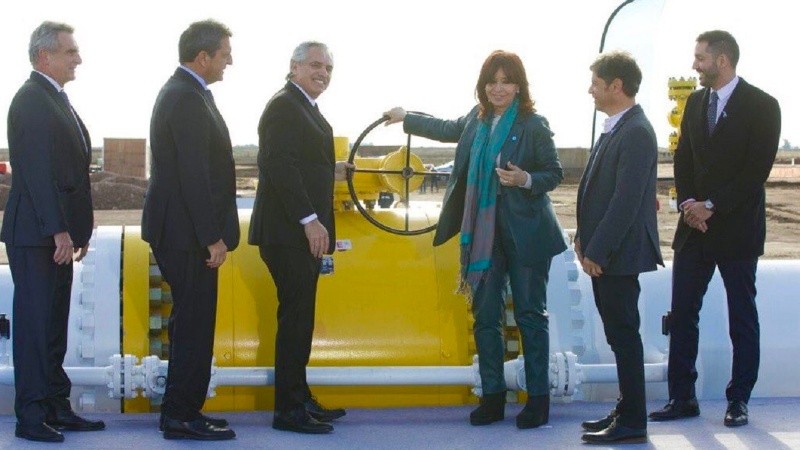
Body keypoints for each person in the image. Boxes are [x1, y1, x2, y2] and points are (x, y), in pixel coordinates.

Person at [384, 50, 567, 429]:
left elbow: (553, 172)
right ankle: (494, 396)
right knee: (485, 316)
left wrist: (525, 179)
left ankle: (537, 400)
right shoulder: (475, 120)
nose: (498, 88)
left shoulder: (533, 124)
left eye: (506, 81)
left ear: (519, 85)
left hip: (527, 234)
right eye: (492, 81)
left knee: (531, 315)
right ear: (483, 85)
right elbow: (445, 128)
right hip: (483, 237)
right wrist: (406, 118)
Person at [649, 30, 781, 428]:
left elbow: (755, 171)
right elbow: (683, 156)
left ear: (722, 60)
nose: (694, 65)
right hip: (694, 229)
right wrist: (690, 203)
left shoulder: (763, 106)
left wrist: (713, 206)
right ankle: (682, 397)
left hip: (737, 229)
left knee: (741, 316)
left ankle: (738, 399)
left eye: (700, 58)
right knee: (683, 312)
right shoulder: (694, 103)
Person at [1, 21, 104, 443]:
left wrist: (76, 227)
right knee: (35, 328)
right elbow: (39, 174)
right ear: (45, 56)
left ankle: (56, 407)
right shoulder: (30, 101)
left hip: (54, 235)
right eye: (70, 51)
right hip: (37, 235)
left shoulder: (54, 98)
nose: (77, 58)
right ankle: (31, 417)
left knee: (54, 328)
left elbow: (71, 170)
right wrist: (59, 231)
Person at [141, 19, 240, 441]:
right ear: (203, 57)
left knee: (192, 324)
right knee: (194, 325)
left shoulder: (188, 92)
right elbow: (193, 175)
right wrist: (211, 237)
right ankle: (181, 415)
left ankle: (182, 411)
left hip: (182, 231)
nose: (229, 61)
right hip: (186, 236)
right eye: (224, 54)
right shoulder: (185, 97)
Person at [248, 41, 352, 434]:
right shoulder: (283, 106)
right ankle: (288, 411)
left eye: (327, 67)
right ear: (293, 66)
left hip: (297, 234)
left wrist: (334, 169)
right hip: (287, 233)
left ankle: (299, 398)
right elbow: (277, 164)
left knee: (301, 318)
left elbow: (303, 161)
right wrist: (310, 220)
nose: (322, 73)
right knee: (294, 320)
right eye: (314, 65)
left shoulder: (303, 105)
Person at [576, 51, 662, 445]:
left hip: (617, 257)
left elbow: (625, 203)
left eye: (595, 83)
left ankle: (633, 421)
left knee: (625, 336)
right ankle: (628, 409)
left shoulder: (637, 132)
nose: (590, 89)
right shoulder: (617, 127)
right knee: (618, 334)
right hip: (604, 253)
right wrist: (582, 240)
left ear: (616, 86)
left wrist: (597, 251)